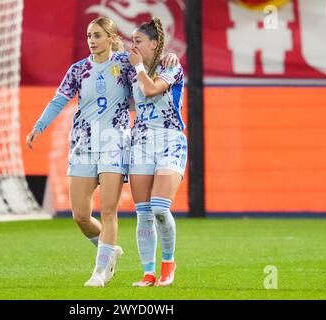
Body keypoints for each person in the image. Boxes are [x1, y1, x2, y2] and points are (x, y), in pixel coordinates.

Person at [26, 17, 178, 287]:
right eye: (88, 36)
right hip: (83, 144)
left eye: (97, 36)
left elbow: (149, 69)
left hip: (115, 143)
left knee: (108, 210)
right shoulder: (78, 70)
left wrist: (170, 57)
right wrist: (39, 126)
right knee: (81, 216)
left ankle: (100, 272)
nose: (91, 41)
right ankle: (109, 251)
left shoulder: (124, 64)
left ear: (110, 37)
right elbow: (58, 99)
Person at [128, 17, 187, 287]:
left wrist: (139, 66)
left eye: (138, 41)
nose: (133, 46)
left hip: (169, 140)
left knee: (160, 209)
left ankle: (168, 263)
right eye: (132, 41)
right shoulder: (130, 69)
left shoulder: (170, 67)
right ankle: (149, 272)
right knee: (143, 213)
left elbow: (151, 90)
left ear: (154, 43)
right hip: (140, 143)